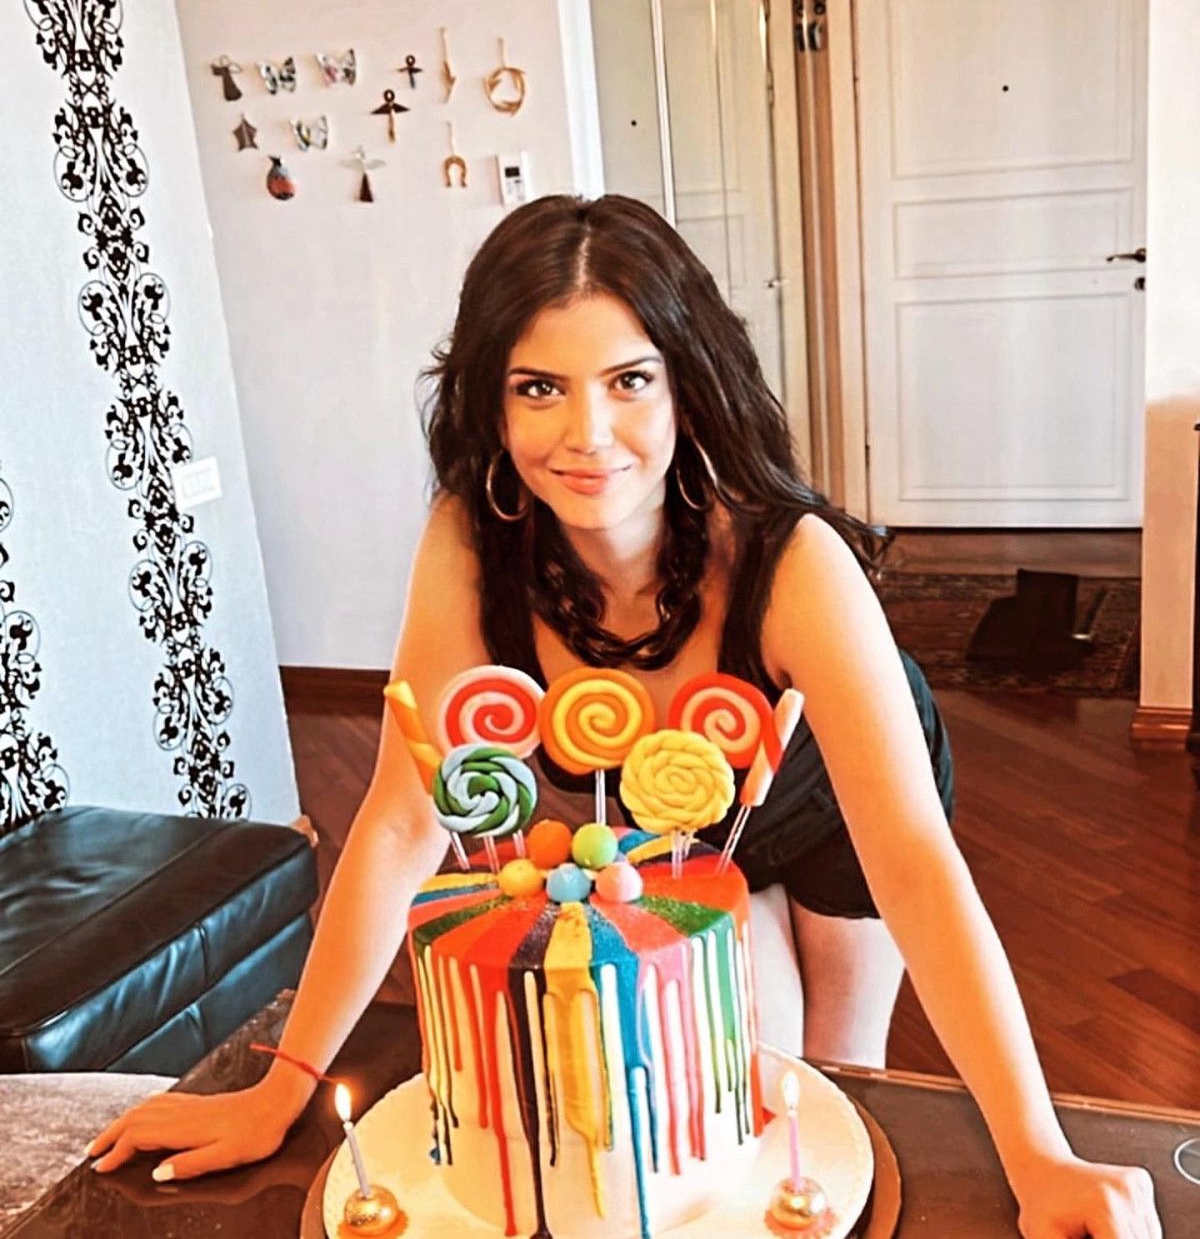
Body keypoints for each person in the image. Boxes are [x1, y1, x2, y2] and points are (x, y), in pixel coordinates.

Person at [89, 195, 1159, 1239]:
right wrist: (281, 1088)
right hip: (682, 826)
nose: (587, 434)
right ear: (492, 403)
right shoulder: (471, 543)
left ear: (688, 384)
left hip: (836, 802)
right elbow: (403, 822)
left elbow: (916, 864)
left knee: (825, 1094)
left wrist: (1040, 1157)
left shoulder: (792, 561)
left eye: (629, 380)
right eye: (539, 388)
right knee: (731, 1084)